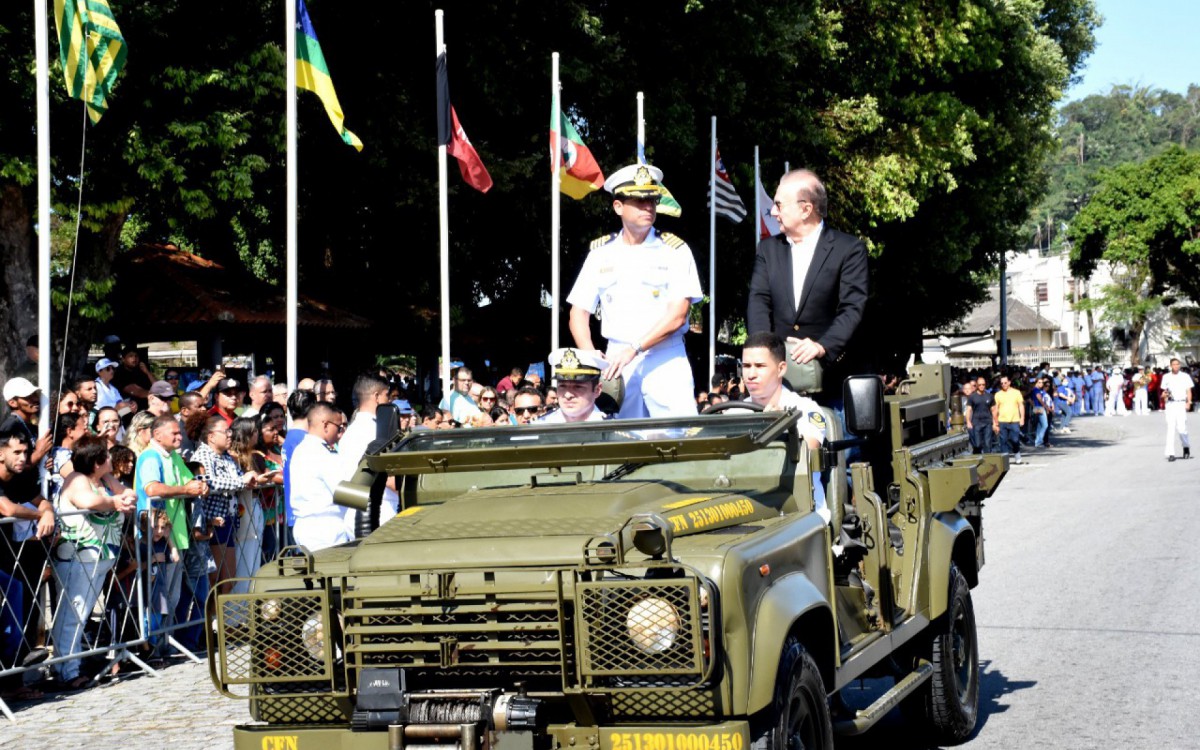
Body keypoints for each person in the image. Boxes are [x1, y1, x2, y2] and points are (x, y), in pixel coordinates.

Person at [566, 163, 704, 419]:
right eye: (639, 201)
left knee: (676, 436)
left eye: (652, 200)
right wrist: (589, 354)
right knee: (621, 439)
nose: (648, 207)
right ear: (618, 207)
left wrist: (635, 348)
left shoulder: (674, 250)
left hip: (665, 357)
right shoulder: (600, 253)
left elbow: (678, 315)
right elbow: (578, 312)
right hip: (616, 360)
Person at [746, 169, 869, 395]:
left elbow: (852, 308)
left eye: (779, 205)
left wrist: (823, 346)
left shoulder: (849, 249)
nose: (773, 212)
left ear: (806, 209)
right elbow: (759, 301)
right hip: (780, 387)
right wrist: (763, 353)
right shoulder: (767, 250)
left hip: (834, 383)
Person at [50, 435, 135, 689]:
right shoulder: (77, 479)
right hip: (78, 556)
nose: (112, 458)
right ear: (97, 460)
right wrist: (114, 501)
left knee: (82, 614)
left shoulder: (100, 479)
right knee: (72, 615)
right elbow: (87, 502)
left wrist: (109, 479)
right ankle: (68, 671)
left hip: (99, 558)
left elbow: (130, 496)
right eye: (107, 456)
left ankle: (69, 666)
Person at [737, 332, 829, 520]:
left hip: (801, 516)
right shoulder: (734, 414)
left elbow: (808, 453)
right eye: (746, 366)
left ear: (781, 369)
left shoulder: (806, 409)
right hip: (745, 513)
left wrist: (779, 426)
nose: (751, 374)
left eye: (760, 366)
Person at [134, 414, 206, 653]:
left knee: (172, 596)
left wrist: (198, 485)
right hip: (156, 535)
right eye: (174, 433)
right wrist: (184, 489)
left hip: (175, 533)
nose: (179, 437)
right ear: (157, 435)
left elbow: (188, 480)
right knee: (159, 596)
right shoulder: (150, 456)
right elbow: (152, 488)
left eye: (179, 432)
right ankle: (153, 646)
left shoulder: (173, 455)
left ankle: (164, 642)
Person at [0, 427, 56, 698]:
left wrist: (46, 513)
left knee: (18, 619)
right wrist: (38, 516)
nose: (24, 457)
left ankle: (13, 683)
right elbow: (8, 509)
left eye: (25, 452)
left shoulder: (21, 477)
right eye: (17, 452)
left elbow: (42, 501)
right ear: (0, 454)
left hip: (11, 559)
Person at [337, 376, 399, 534]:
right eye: (387, 396)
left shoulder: (351, 431)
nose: (390, 402)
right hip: (378, 511)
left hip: (354, 509)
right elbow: (391, 480)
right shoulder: (377, 432)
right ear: (377, 397)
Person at [290, 403, 350, 550]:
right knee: (332, 572)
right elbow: (343, 491)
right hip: (325, 528)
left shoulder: (302, 448)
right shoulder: (322, 452)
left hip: (309, 526)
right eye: (338, 427)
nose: (340, 432)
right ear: (326, 425)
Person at [538, 349, 609, 424]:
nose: (568, 395)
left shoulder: (612, 431)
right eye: (562, 386)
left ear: (597, 390)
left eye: (578, 387)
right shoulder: (538, 427)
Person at [1161, 357, 1193, 462]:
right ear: (1171, 366)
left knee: (1182, 428)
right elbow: (1164, 391)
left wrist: (1189, 402)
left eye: (1178, 364)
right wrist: (1164, 396)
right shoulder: (1166, 377)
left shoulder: (1185, 376)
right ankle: (1170, 453)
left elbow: (1188, 390)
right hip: (1171, 404)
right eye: (1174, 364)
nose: (1176, 366)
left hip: (1181, 403)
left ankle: (1186, 447)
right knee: (1170, 428)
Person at [111, 346, 155, 412]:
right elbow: (137, 392)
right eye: (130, 356)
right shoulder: (120, 374)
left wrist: (148, 372)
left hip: (147, 408)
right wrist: (157, 394)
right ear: (123, 359)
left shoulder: (142, 371)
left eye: (136, 356)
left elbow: (156, 384)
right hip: (129, 411)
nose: (134, 358)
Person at [994, 375, 1026, 464]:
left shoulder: (1016, 393)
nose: (1003, 384)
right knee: (1003, 441)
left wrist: (1022, 418)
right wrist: (995, 421)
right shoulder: (998, 394)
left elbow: (1021, 405)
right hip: (1002, 421)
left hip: (1014, 420)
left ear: (1009, 382)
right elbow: (995, 409)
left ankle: (1017, 454)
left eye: (1005, 382)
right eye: (1002, 383)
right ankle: (1005, 460)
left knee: (1015, 439)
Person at [965, 376, 997, 454]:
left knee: (987, 443)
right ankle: (977, 457)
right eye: (980, 385)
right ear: (976, 385)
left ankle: (988, 460)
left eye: (983, 384)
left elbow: (994, 410)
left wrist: (995, 423)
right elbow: (968, 410)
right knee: (977, 444)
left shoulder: (990, 396)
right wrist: (968, 421)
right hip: (976, 423)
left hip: (987, 423)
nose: (982, 386)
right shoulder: (972, 397)